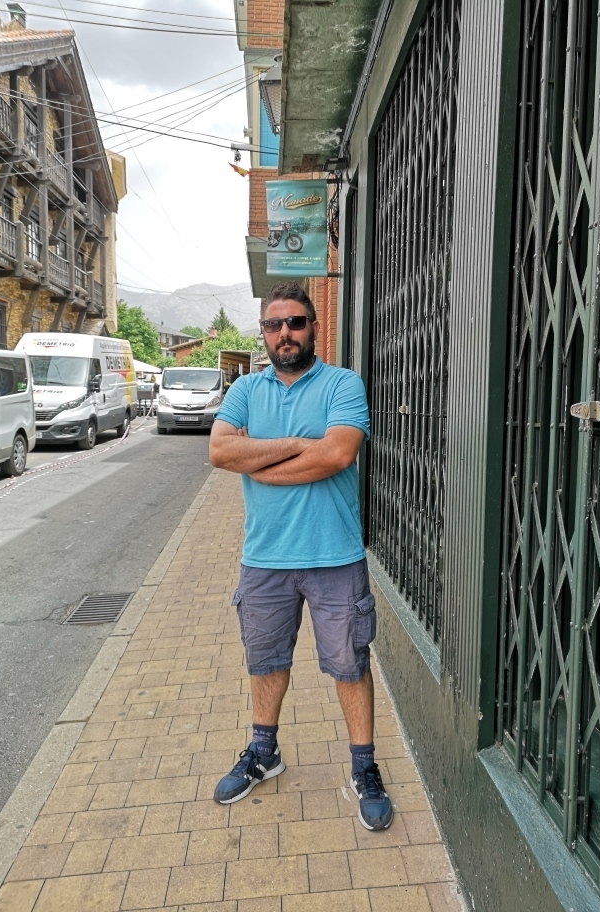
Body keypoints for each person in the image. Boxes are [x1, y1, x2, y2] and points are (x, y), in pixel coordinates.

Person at [208, 282, 392, 831]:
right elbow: (219, 450)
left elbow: (337, 454)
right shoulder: (246, 389)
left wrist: (260, 462)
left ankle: (364, 766)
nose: (284, 333)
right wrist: (298, 445)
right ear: (263, 332)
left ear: (313, 327)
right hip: (265, 557)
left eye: (295, 322)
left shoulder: (342, 383)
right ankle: (263, 752)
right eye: (273, 324)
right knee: (265, 660)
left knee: (349, 664)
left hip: (335, 555)